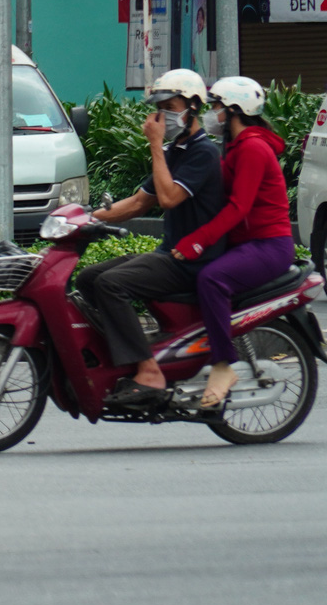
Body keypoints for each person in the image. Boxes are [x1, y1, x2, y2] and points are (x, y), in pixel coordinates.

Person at [74, 70, 226, 405]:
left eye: (170, 107)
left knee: (111, 284)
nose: (162, 117)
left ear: (193, 107)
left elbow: (169, 198)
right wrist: (80, 219)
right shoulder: (175, 151)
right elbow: (140, 202)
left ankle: (149, 371)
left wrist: (155, 145)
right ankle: (123, 356)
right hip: (169, 254)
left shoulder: (203, 153)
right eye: (159, 109)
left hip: (192, 261)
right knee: (88, 279)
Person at [172, 76, 296, 410]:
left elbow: (238, 206)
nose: (212, 113)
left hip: (268, 246)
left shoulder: (253, 149)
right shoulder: (237, 147)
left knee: (211, 279)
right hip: (247, 244)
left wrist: (197, 241)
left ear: (233, 111)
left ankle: (223, 366)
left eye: (216, 107)